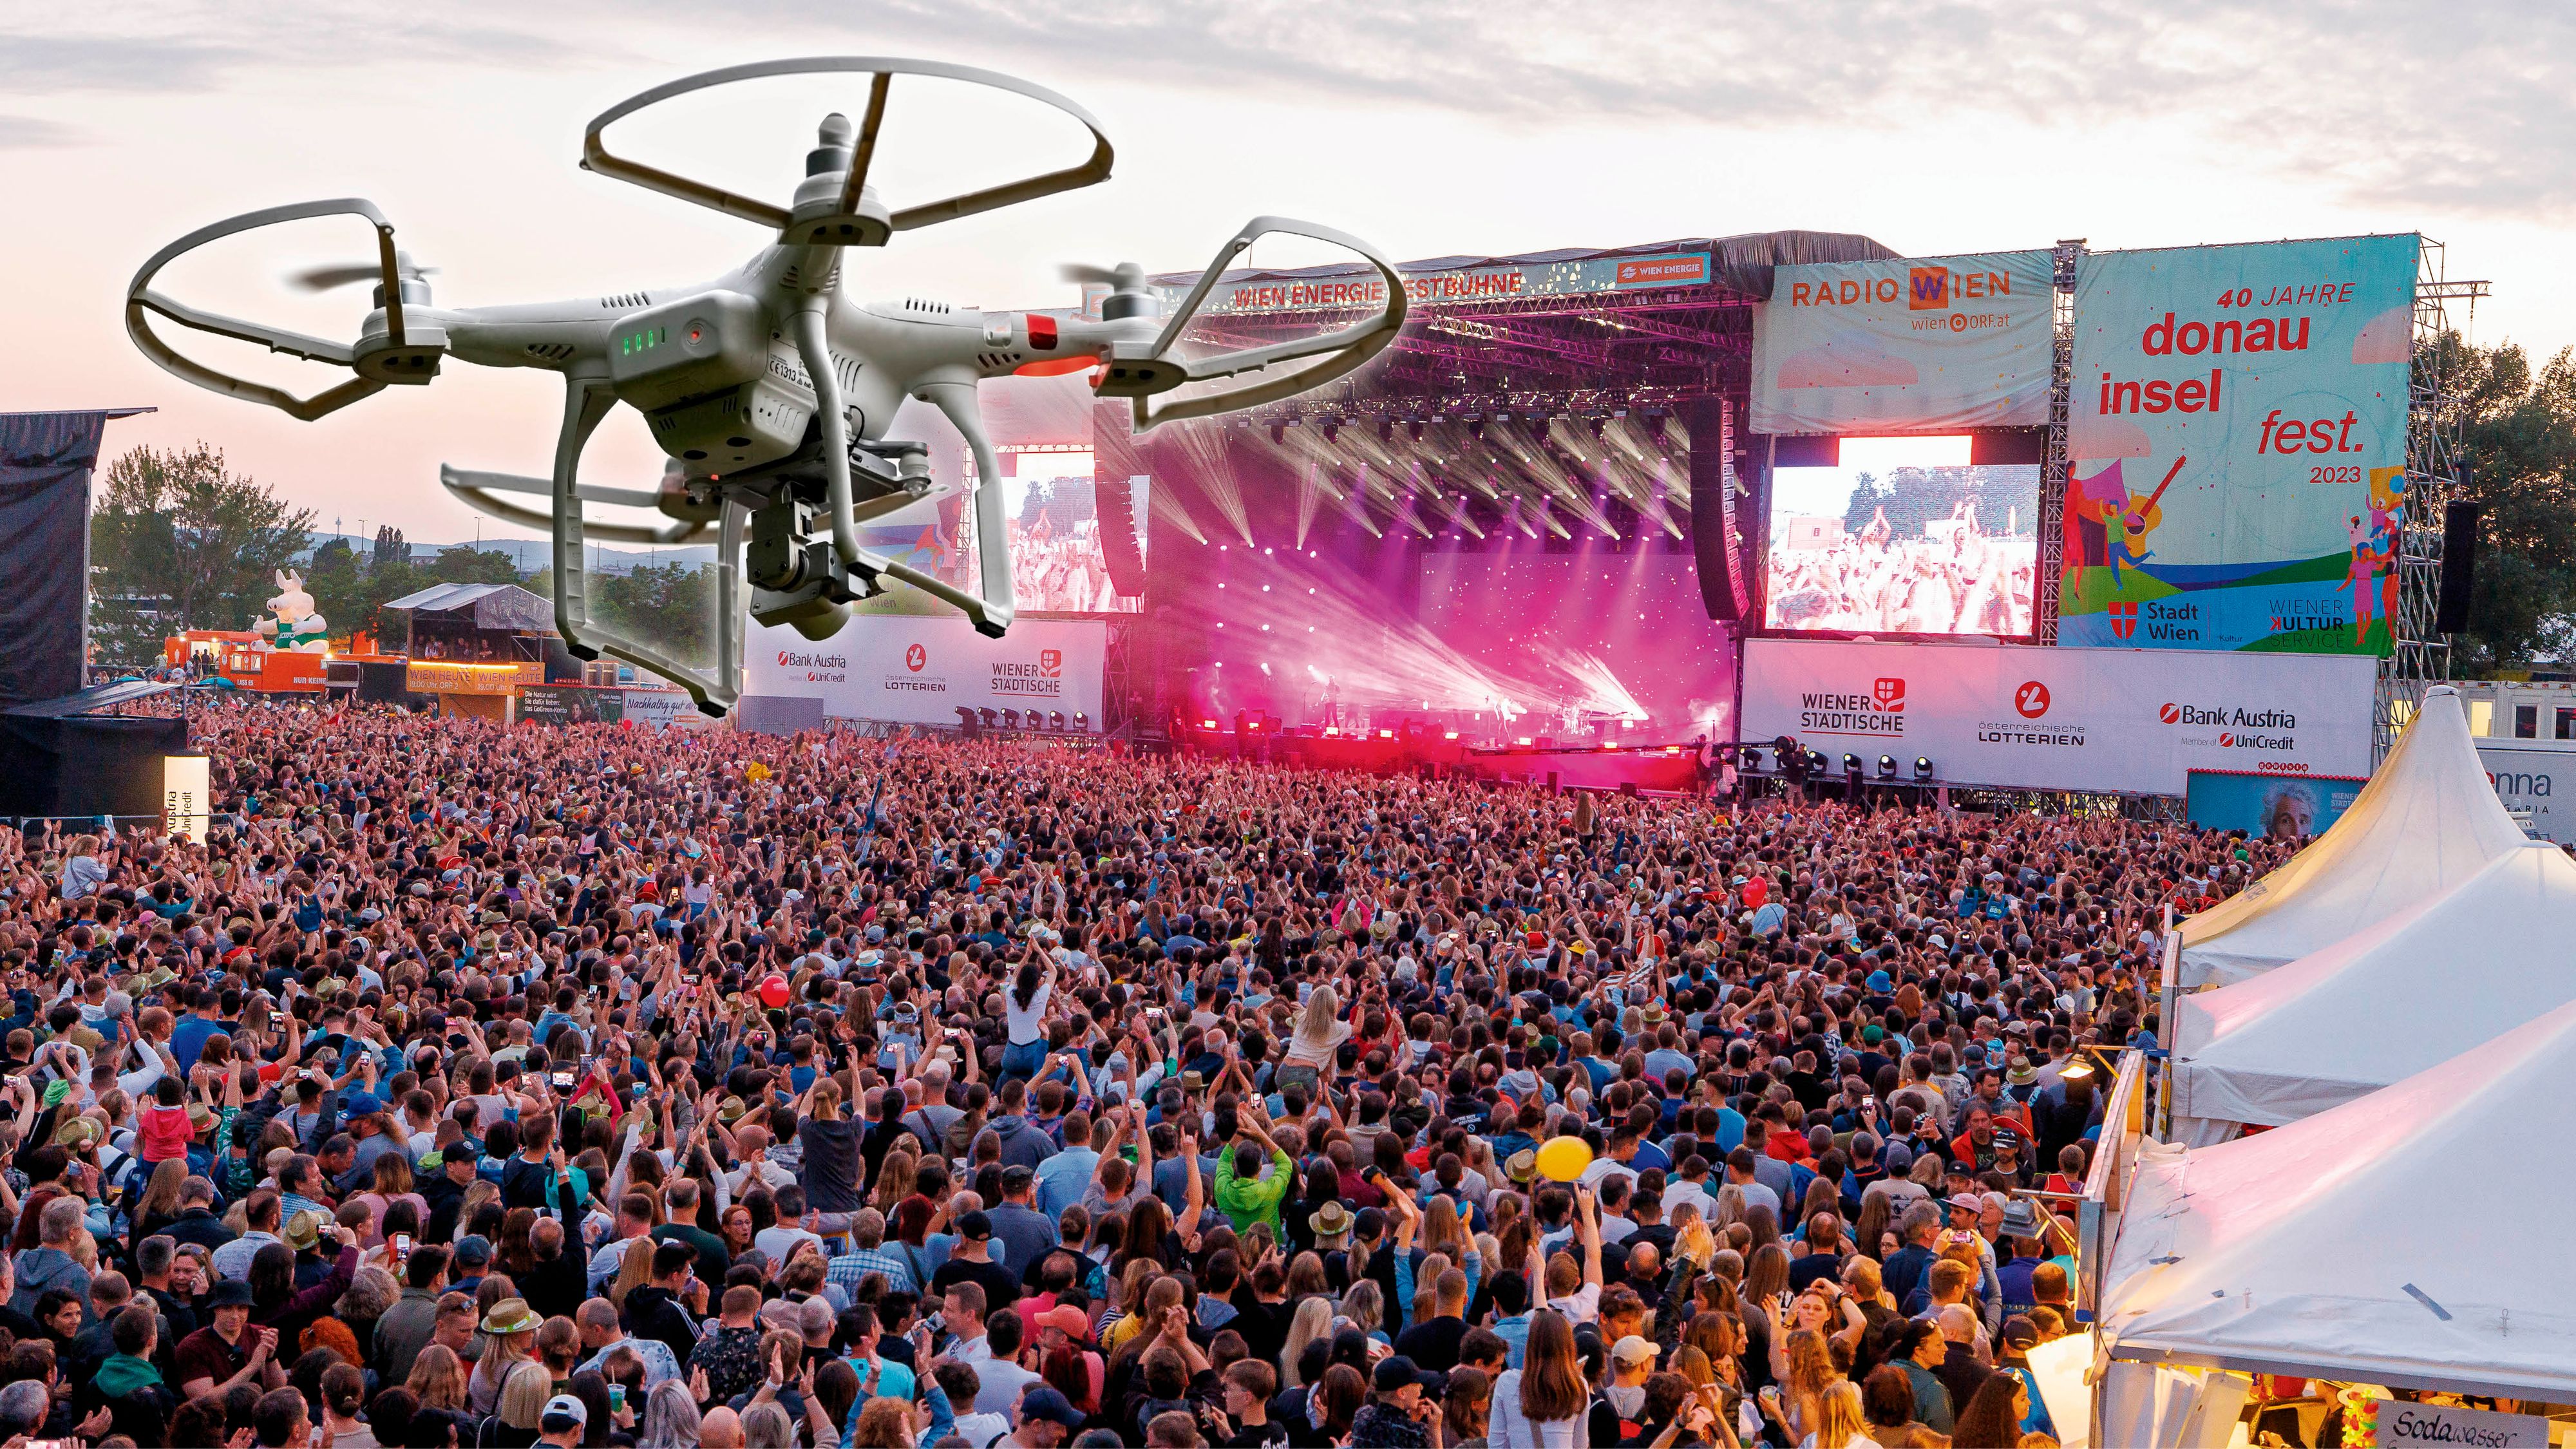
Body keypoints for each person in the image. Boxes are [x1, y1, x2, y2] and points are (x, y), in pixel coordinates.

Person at [1490, 1310, 1588, 1449]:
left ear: (1531, 1344)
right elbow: (1580, 1445)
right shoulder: (1578, 1386)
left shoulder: (1507, 1382)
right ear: (1569, 1347)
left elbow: (1496, 1445)